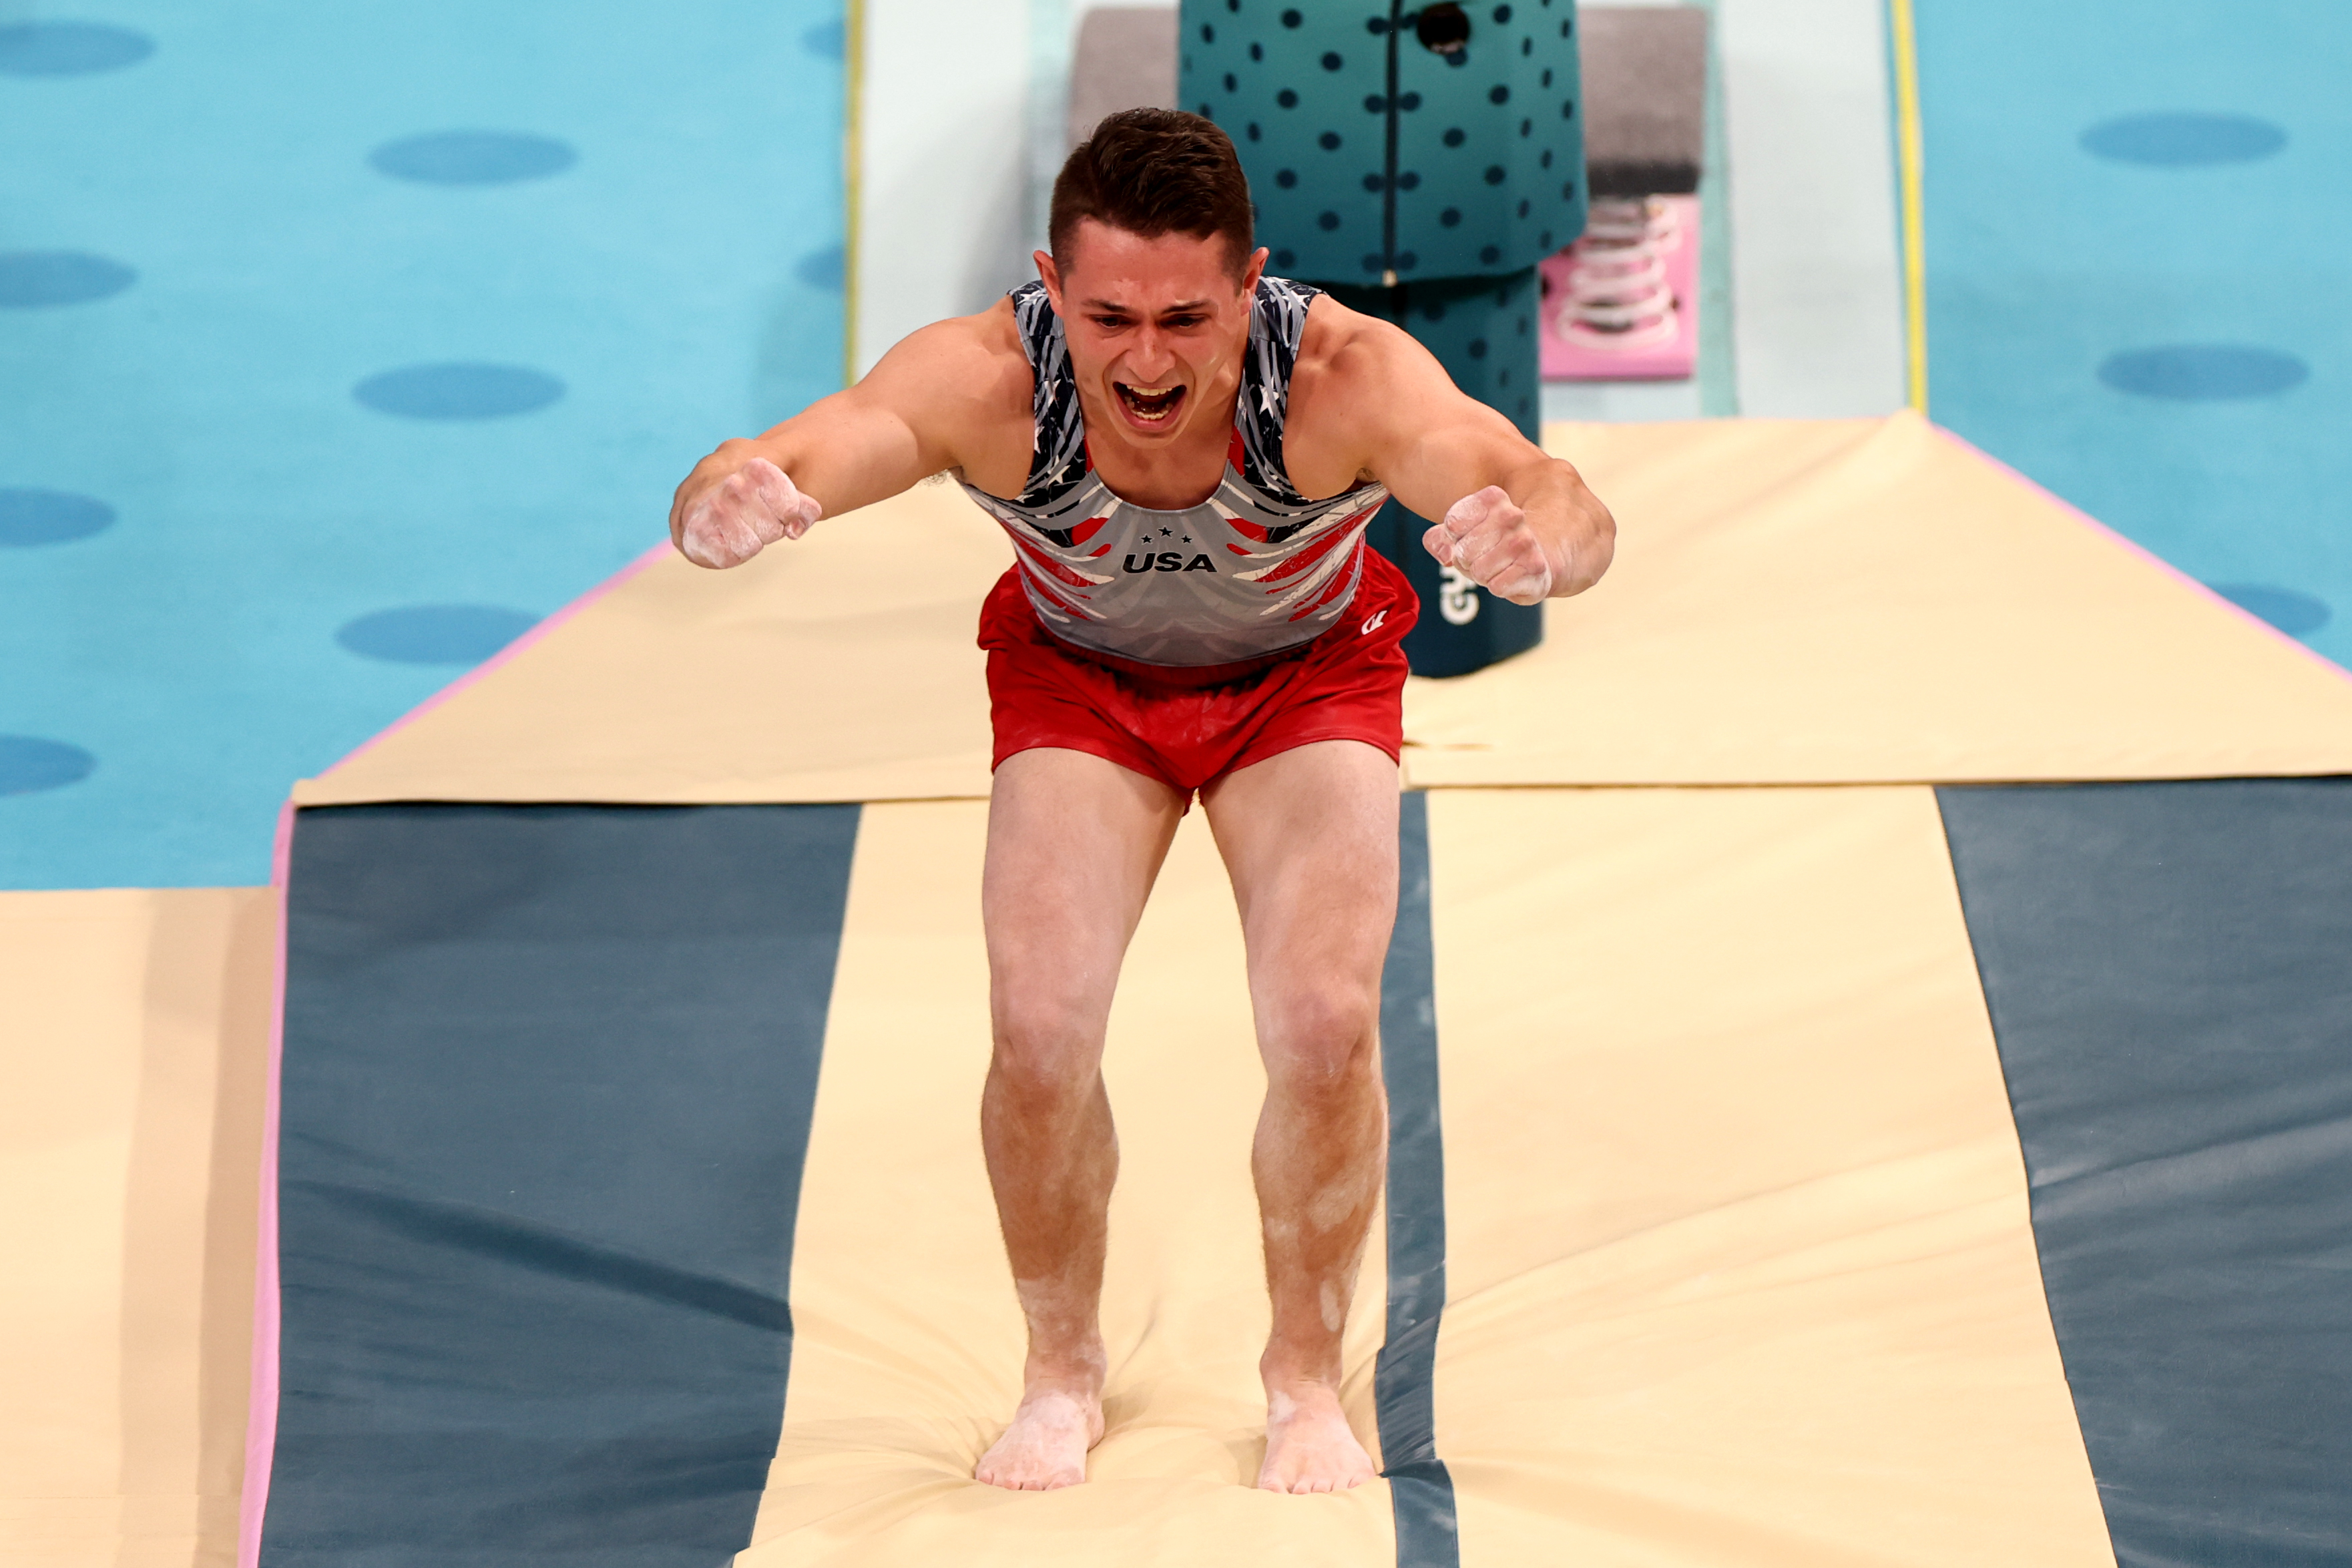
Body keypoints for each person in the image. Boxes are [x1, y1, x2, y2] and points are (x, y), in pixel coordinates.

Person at [668, 108, 1614, 1496]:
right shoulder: (988, 379)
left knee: (1324, 1024)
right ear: (1050, 287)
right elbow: (806, 446)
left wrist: (1546, 540)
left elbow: (1542, 483)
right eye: (1108, 318)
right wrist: (724, 499)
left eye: (1186, 317)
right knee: (1039, 1031)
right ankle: (1061, 1368)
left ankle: (1303, 1371)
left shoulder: (1340, 377)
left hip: (1305, 677)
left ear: (1252, 285)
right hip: (1081, 684)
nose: (1148, 362)